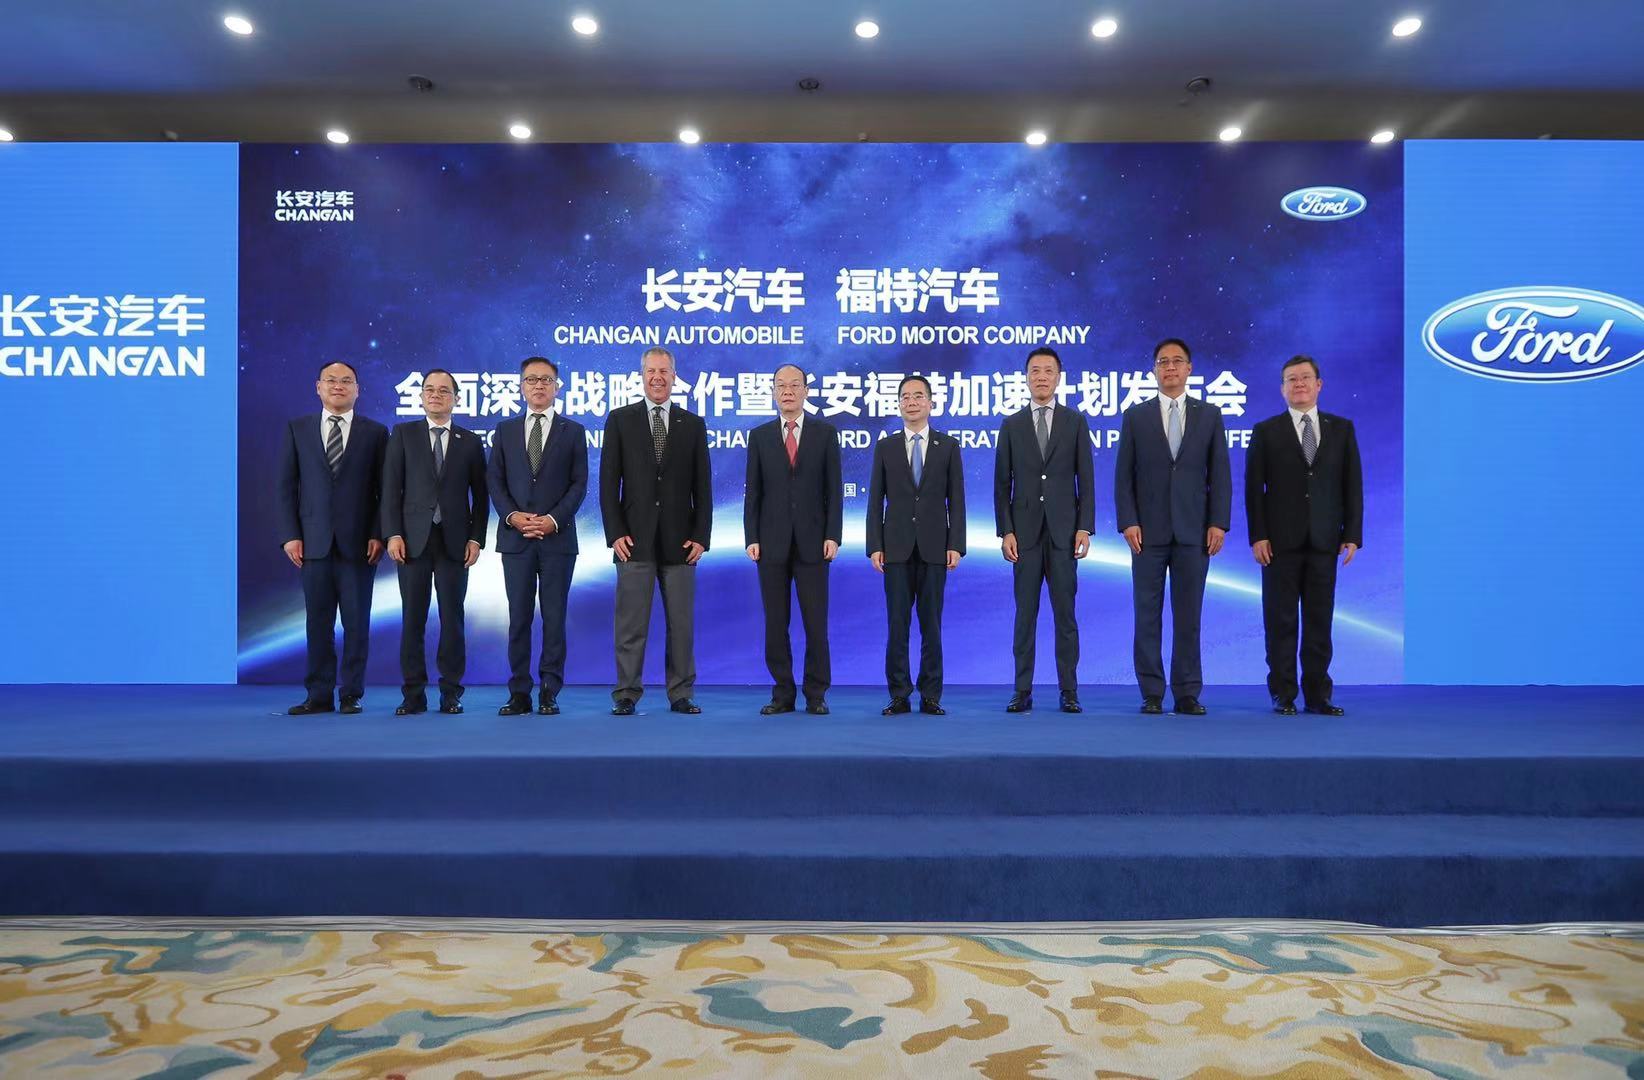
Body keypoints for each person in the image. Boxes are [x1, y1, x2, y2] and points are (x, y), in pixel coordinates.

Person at [1113, 338, 1231, 716]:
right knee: (1146, 616)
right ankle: (1151, 692)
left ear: (1189, 369)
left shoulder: (1209, 415)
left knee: (1189, 616)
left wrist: (1218, 522)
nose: (1170, 368)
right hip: (1147, 534)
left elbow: (1220, 475)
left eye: (1177, 361)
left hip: (1194, 532)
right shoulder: (1136, 416)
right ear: (1154, 370)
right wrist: (1128, 521)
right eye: (1163, 362)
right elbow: (1123, 476)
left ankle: (1187, 693)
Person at [1245, 354, 1363, 716]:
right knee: (1280, 621)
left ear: (1318, 385)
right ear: (1282, 389)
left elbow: (1352, 485)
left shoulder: (1342, 429)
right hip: (1279, 544)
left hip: (1325, 541)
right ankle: (1283, 693)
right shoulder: (1266, 431)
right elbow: (1254, 490)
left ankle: (1318, 695)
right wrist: (1258, 536)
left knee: (1319, 621)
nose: (1299, 384)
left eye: (1305, 378)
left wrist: (1352, 534)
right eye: (1291, 379)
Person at [600, 346, 713, 715]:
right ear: (642, 376)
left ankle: (681, 693)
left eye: (664, 371)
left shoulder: (692, 424)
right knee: (630, 625)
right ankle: (626, 693)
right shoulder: (620, 420)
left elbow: (703, 487)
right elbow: (608, 484)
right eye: (651, 371)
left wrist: (701, 536)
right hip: (633, 540)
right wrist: (615, 532)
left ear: (674, 377)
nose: (658, 377)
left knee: (681, 626)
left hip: (682, 542)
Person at [276, 360, 387, 715]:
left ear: (357, 390)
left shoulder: (376, 433)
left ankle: (351, 693)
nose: (338, 386)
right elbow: (286, 487)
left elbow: (385, 491)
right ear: (318, 387)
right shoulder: (298, 429)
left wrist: (378, 534)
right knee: (318, 623)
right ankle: (319, 694)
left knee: (356, 624)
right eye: (331, 380)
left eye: (346, 381)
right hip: (313, 543)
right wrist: (290, 535)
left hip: (360, 545)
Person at [381, 368, 489, 715]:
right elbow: (390, 490)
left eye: (444, 390)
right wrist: (393, 533)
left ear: (456, 398)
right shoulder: (403, 434)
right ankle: (413, 694)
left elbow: (481, 497)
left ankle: (450, 692)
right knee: (413, 619)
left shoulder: (469, 441)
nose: (436, 395)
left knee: (452, 619)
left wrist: (476, 539)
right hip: (412, 542)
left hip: (455, 543)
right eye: (430, 389)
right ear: (421, 396)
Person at [994, 347, 1095, 713]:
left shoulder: (1075, 422)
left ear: (1058, 377)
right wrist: (1006, 530)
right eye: (1035, 371)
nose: (1041, 377)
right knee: (1025, 616)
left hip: (1064, 535)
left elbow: (1086, 479)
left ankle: (1069, 690)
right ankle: (1022, 689)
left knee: (1066, 615)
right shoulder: (1012, 424)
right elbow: (1001, 484)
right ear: (1026, 378)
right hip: (1024, 536)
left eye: (1048, 371)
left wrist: (1085, 527)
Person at [488, 356, 588, 716]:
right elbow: (495, 480)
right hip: (515, 540)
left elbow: (579, 484)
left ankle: (549, 689)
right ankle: (519, 691)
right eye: (532, 380)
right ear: (521, 387)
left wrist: (552, 520)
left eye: (546, 380)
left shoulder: (572, 431)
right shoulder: (505, 430)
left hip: (557, 540)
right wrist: (513, 516)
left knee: (554, 617)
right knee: (519, 618)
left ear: (557, 387)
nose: (539, 385)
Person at [744, 363, 843, 715]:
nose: (787, 391)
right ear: (773, 392)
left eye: (794, 385)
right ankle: (782, 693)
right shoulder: (759, 436)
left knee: (816, 624)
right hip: (770, 544)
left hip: (814, 543)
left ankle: (816, 694)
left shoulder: (824, 433)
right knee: (776, 623)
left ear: (805, 391)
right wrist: (751, 536)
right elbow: (753, 493)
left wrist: (833, 534)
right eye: (781, 386)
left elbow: (834, 490)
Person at [867, 374, 966, 716]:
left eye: (918, 396)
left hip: (935, 548)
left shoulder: (948, 446)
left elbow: (957, 500)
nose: (911, 402)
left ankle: (931, 694)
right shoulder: (886, 447)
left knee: (931, 626)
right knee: (897, 626)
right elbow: (875, 500)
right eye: (905, 397)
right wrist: (874, 544)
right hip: (895, 548)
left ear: (930, 403)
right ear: (898, 404)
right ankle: (899, 694)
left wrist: (956, 544)